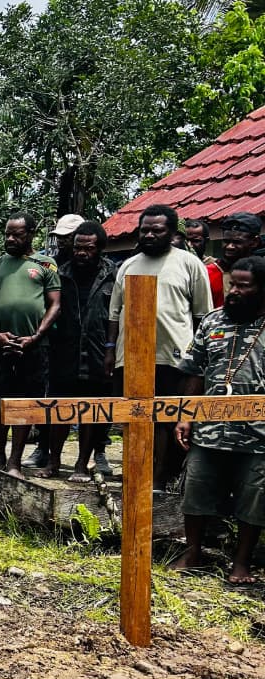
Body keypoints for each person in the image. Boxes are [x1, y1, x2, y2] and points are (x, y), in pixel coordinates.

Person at [171, 255, 265, 583]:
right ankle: (193, 552)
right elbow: (195, 371)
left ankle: (242, 562)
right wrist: (185, 415)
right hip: (209, 428)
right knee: (196, 488)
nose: (234, 291)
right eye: (232, 284)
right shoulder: (212, 321)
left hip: (257, 434)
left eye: (243, 286)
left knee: (254, 495)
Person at [107, 203, 213, 490]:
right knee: (134, 417)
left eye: (157, 230)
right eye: (145, 230)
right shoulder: (128, 265)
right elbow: (114, 313)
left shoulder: (189, 264)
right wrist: (110, 349)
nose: (150, 235)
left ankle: (160, 479)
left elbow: (203, 315)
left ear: (171, 232)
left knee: (168, 418)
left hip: (174, 356)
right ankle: (135, 474)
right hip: (131, 355)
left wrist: (200, 358)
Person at [0, 211, 62, 480]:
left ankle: (15, 461)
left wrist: (36, 336)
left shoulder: (46, 264)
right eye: (7, 234)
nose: (11, 239)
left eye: (17, 234)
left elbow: (55, 304)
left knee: (25, 403)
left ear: (31, 234)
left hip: (33, 345)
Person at [31, 221, 117, 480]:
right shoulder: (59, 273)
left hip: (97, 351)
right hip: (63, 351)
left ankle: (81, 464)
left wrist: (111, 348)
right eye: (78, 247)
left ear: (99, 248)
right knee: (60, 409)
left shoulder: (114, 274)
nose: (81, 253)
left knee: (90, 410)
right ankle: (53, 462)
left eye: (88, 248)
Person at [205, 212, 261, 309]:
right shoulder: (206, 274)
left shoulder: (261, 274)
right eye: (226, 241)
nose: (229, 247)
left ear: (255, 242)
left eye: (237, 242)